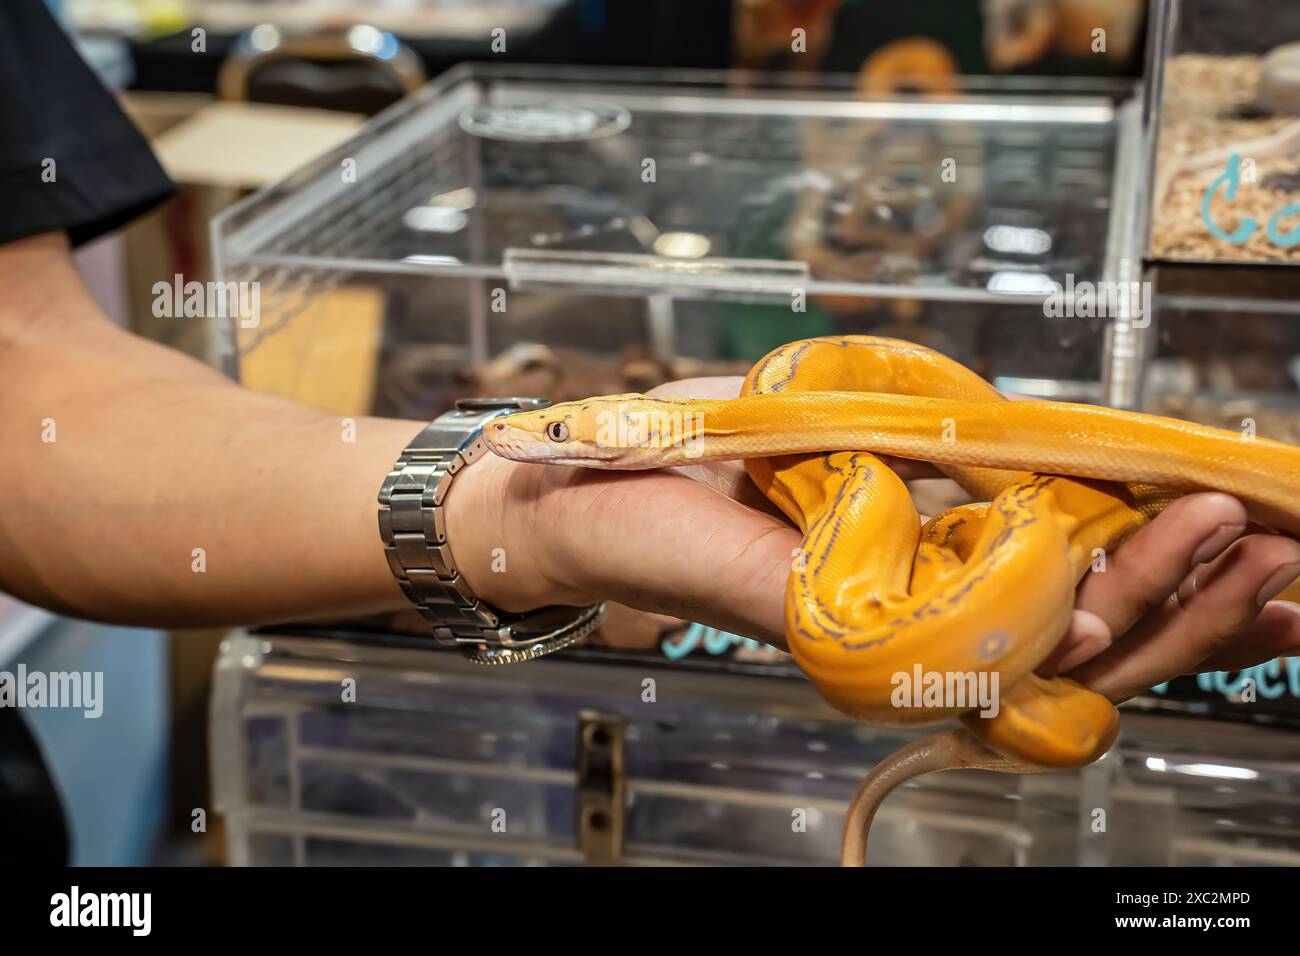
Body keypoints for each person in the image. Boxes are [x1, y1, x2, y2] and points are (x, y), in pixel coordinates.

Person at [2, 0, 1299, 864]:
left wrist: (519, 514)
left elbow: (29, 366)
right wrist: (538, 510)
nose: (548, 446)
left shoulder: (801, 399)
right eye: (560, 442)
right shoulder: (793, 420)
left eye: (573, 441)